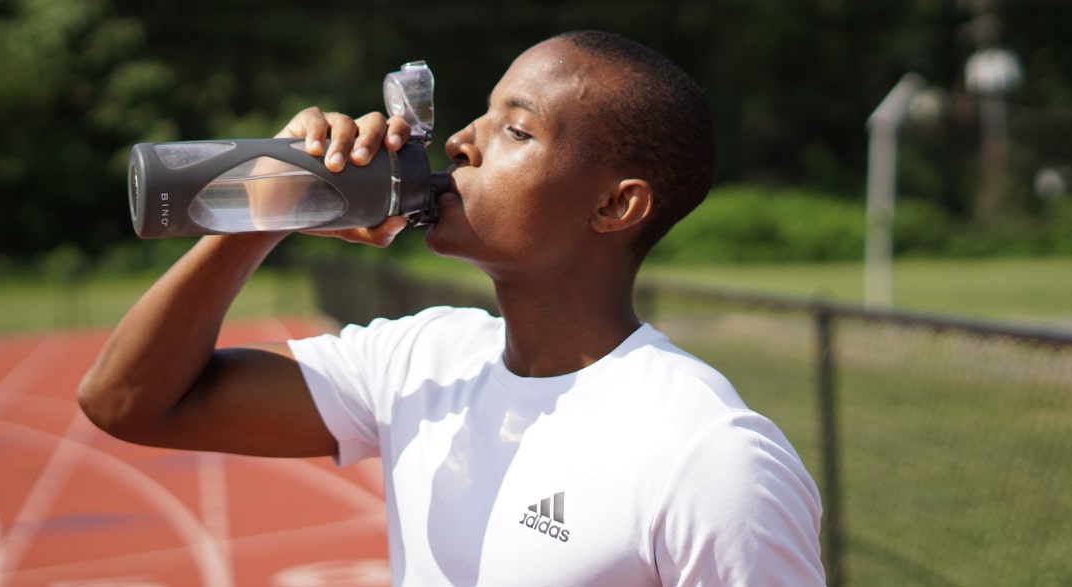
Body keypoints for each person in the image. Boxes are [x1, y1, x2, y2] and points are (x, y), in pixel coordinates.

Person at [78, 30, 826, 586]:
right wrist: (271, 203)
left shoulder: (709, 454)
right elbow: (128, 400)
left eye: (517, 129)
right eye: (480, 116)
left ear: (614, 204)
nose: (463, 142)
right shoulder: (423, 358)